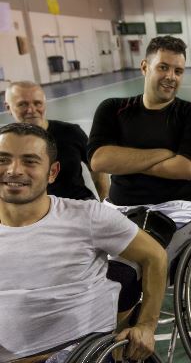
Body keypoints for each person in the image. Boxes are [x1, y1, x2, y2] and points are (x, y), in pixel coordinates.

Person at [0, 123, 167, 363]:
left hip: (83, 355)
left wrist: (147, 325)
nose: (14, 170)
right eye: (3, 159)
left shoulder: (87, 216)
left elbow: (154, 256)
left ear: (52, 172)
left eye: (30, 161)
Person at [87, 35, 191, 318]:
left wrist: (125, 160)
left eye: (178, 71)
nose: (171, 77)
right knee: (76, 265)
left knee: (121, 275)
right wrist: (164, 153)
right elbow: (99, 160)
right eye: (163, 67)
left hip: (172, 209)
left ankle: (124, 345)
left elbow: (187, 168)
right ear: (144, 67)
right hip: (117, 208)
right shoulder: (112, 109)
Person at [4, 81, 109, 200]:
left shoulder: (71, 132)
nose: (31, 110)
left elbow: (97, 169)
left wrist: (104, 200)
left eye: (38, 103)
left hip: (79, 204)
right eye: (23, 104)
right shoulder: (5, 143)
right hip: (35, 212)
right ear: (8, 107)